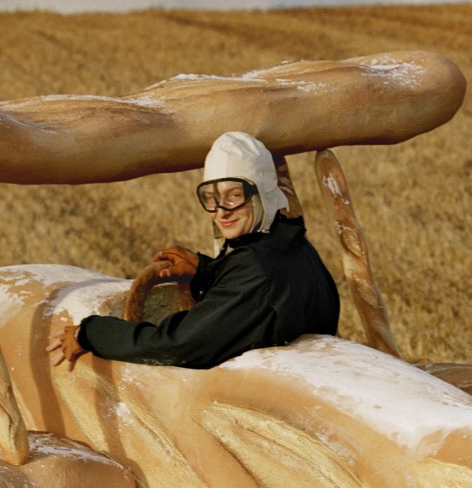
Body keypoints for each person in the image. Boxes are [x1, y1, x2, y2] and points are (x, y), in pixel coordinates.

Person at [53, 130, 340, 370]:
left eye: (234, 196)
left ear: (262, 193)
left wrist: (91, 332)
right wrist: (205, 270)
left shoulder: (259, 269)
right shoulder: (294, 244)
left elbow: (178, 345)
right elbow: (253, 307)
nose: (220, 212)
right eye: (211, 198)